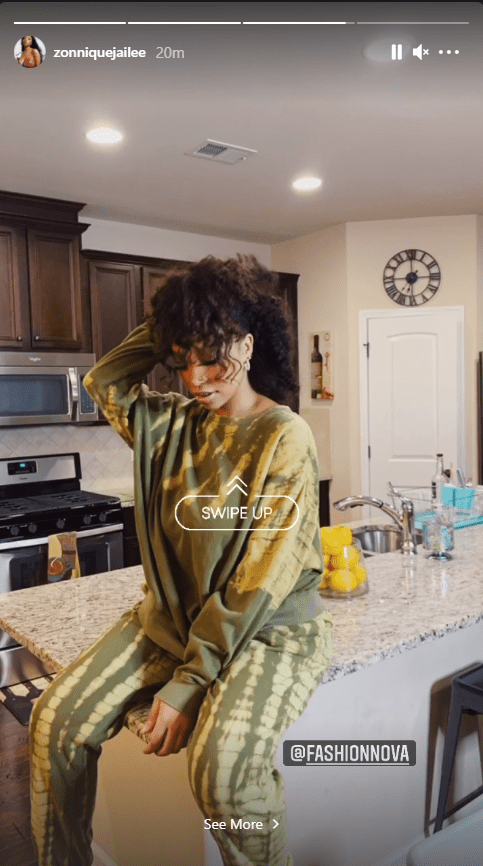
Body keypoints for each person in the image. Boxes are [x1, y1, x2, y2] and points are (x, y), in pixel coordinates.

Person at [29, 254, 334, 866]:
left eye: (213, 356)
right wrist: (182, 316)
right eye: (181, 358)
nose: (195, 377)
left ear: (246, 346)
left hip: (268, 632)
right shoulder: (166, 424)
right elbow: (103, 383)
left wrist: (191, 681)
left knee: (222, 774)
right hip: (173, 620)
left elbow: (259, 580)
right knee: (53, 724)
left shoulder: (285, 435)